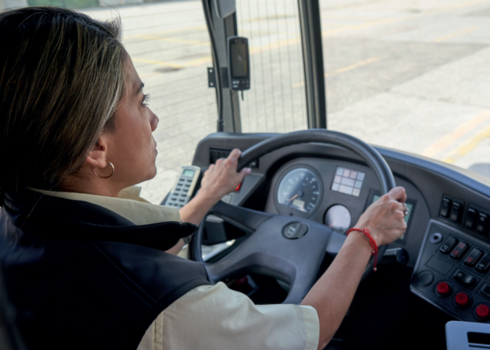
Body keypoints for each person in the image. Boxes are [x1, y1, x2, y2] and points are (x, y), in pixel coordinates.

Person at [0, 7, 408, 350]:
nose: (154, 119)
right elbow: (309, 331)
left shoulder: (21, 219)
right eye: (142, 101)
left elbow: (138, 244)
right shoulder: (168, 308)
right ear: (95, 149)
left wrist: (209, 194)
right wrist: (364, 237)